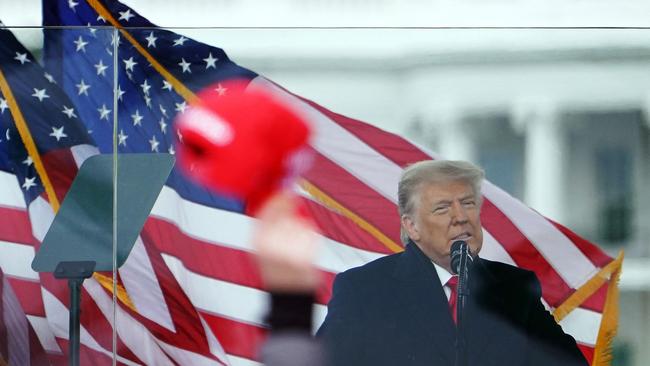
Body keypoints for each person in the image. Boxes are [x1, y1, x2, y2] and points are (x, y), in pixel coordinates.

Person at [317, 160, 588, 366]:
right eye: (443, 208)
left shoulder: (514, 289)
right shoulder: (365, 290)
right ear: (412, 226)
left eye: (468, 204)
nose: (461, 217)